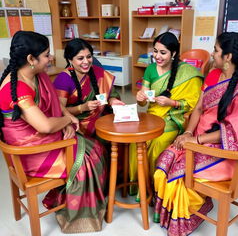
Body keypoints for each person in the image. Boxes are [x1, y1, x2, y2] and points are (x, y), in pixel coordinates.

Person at [0, 31, 107, 233]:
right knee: (90, 156)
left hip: (43, 139)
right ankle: (78, 217)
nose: (51, 58)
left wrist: (65, 121)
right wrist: (69, 119)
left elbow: (56, 105)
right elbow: (45, 126)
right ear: (31, 59)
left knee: (95, 146)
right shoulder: (17, 89)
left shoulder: (36, 74)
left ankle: (65, 197)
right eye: (47, 55)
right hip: (30, 152)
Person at [153, 32, 238, 236]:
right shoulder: (213, 75)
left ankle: (191, 214)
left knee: (177, 176)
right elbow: (199, 109)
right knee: (163, 163)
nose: (212, 53)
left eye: (216, 50)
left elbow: (235, 134)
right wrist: (189, 132)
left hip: (229, 154)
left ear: (227, 57)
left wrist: (195, 140)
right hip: (198, 138)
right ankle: (192, 206)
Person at [129, 32, 203, 194]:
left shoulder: (188, 73)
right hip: (152, 116)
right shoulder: (150, 69)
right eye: (155, 51)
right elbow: (143, 101)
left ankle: (155, 188)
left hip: (173, 118)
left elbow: (195, 104)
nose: (157, 56)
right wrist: (140, 97)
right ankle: (138, 184)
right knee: (136, 140)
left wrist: (172, 103)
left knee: (157, 142)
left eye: (163, 52)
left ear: (174, 53)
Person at [53, 38, 124, 138]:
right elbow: (59, 111)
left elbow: (111, 94)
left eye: (89, 57)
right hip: (75, 123)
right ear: (70, 60)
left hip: (100, 116)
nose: (86, 62)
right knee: (98, 147)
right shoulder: (63, 79)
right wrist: (82, 108)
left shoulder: (98, 71)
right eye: (80, 58)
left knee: (122, 133)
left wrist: (112, 100)